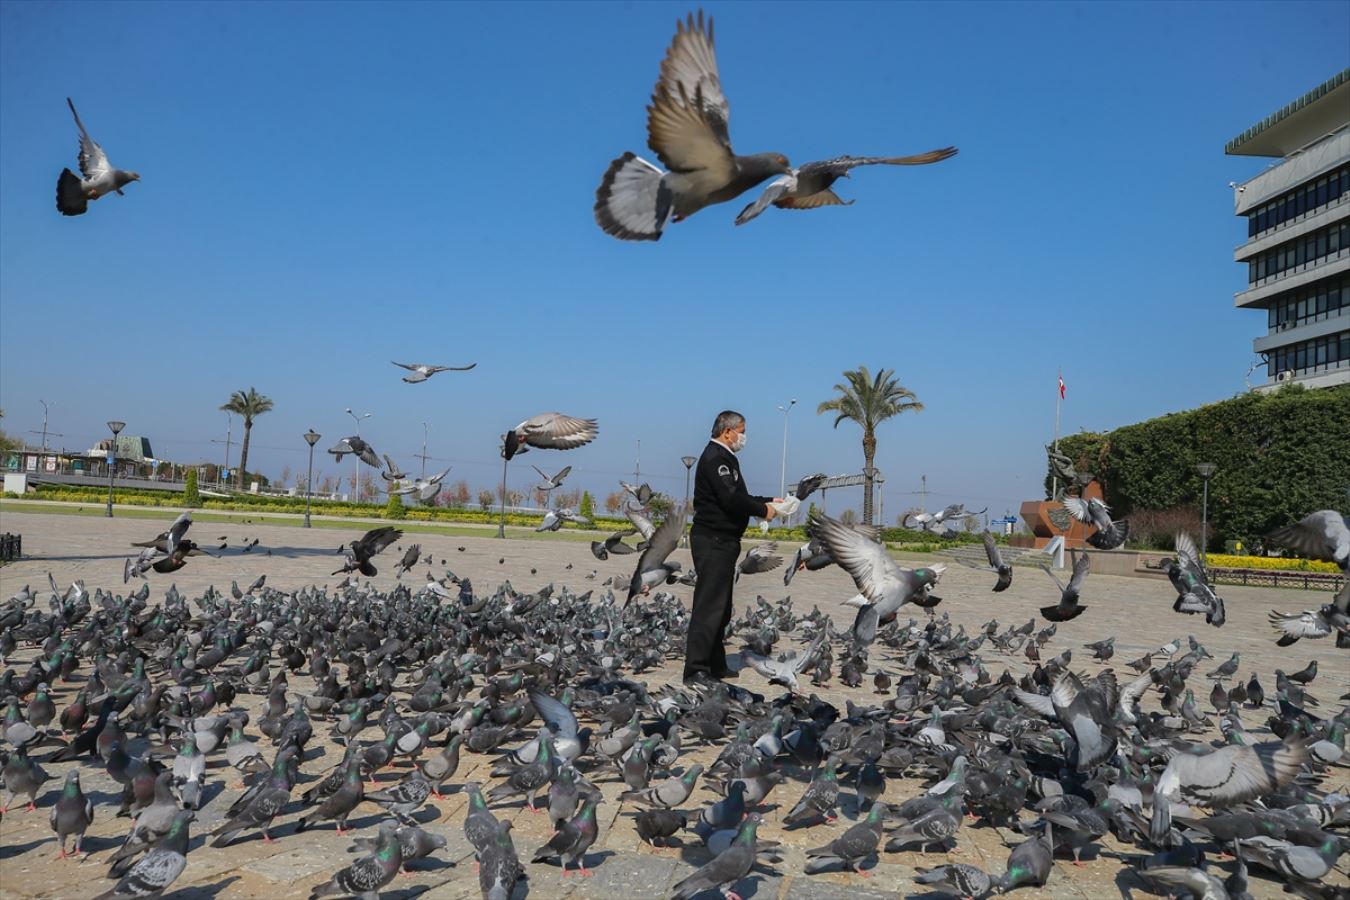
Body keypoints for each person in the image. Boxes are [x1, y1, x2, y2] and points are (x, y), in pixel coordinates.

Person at [684, 410, 780, 684]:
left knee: (721, 608)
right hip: (713, 540)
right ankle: (696, 671)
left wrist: (770, 500)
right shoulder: (716, 458)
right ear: (728, 432)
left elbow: (739, 496)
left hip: (723, 541)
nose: (744, 437)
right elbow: (730, 499)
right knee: (709, 608)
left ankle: (715, 664)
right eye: (742, 430)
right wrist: (762, 509)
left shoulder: (725, 458)